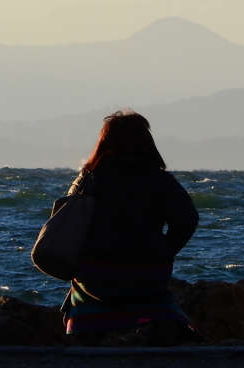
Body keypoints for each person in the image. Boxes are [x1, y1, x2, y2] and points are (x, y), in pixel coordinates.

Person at [61, 110, 200, 346]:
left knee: (81, 290)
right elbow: (187, 220)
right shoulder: (162, 181)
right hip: (150, 272)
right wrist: (165, 250)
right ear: (147, 142)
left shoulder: (89, 178)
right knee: (156, 294)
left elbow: (69, 218)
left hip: (97, 273)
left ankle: (86, 331)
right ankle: (165, 321)